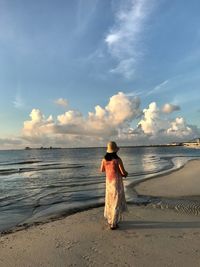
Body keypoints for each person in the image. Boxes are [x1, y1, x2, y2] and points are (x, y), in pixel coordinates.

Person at [100, 141, 128, 230]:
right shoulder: (117, 160)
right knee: (116, 201)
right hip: (117, 183)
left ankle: (110, 219)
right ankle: (113, 223)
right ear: (115, 150)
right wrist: (126, 174)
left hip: (109, 183)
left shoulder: (104, 159)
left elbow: (101, 170)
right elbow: (123, 172)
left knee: (109, 201)